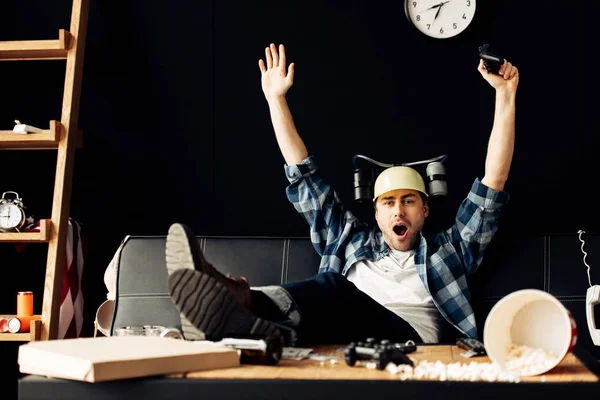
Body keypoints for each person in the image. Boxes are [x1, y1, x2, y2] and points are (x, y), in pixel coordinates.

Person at [165, 43, 519, 346]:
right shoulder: (347, 240)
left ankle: (240, 300)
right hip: (338, 339)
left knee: (337, 289)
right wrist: (276, 100)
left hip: (409, 342)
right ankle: (228, 318)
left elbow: (493, 184)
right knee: (308, 314)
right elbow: (304, 175)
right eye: (388, 203)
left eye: (409, 201)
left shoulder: (449, 252)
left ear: (425, 210)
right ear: (376, 213)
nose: (399, 211)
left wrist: (505, 95)